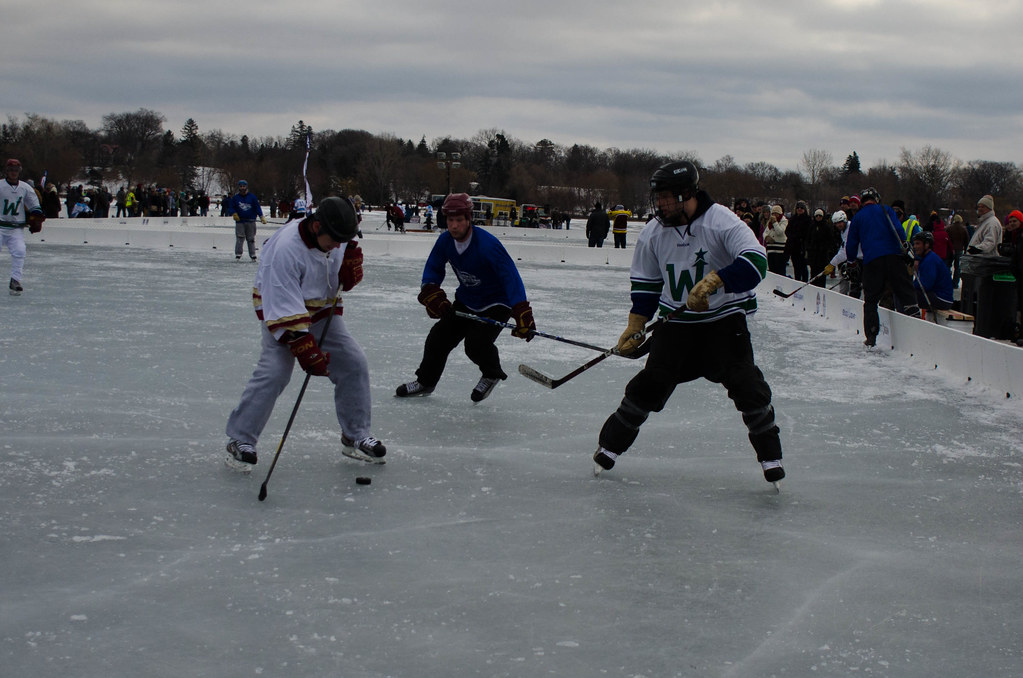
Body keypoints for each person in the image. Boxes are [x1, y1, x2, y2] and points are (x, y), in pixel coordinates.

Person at [592, 160, 784, 486]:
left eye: (667, 197)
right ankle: (609, 448)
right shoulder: (653, 233)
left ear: (687, 194)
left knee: (747, 384)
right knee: (650, 383)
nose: (660, 204)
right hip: (676, 325)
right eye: (658, 197)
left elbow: (756, 263)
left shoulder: (721, 221)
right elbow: (647, 285)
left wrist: (716, 281)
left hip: (724, 322)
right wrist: (636, 324)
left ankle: (770, 456)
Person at [224, 197, 386, 470]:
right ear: (316, 226)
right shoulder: (286, 250)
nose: (337, 246)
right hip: (280, 313)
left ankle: (355, 436)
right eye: (334, 240)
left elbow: (341, 263)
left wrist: (349, 270)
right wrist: (304, 347)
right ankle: (240, 439)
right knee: (275, 372)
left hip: (321, 311)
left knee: (353, 363)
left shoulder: (337, 234)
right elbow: (283, 307)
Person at [394, 193, 536, 402]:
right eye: (450, 220)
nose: (454, 226)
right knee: (438, 338)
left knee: (476, 344)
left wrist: (521, 310)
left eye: (459, 220)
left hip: (497, 302)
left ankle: (491, 374)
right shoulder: (445, 242)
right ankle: (425, 382)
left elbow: (510, 277)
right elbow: (433, 267)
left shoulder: (487, 245)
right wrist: (431, 291)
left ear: (469, 219)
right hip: (467, 300)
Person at [844, 187, 919, 347]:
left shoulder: (858, 217)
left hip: (872, 261)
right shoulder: (886, 210)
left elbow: (851, 244)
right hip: (894, 258)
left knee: (871, 300)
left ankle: (871, 337)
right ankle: (917, 324)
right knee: (906, 292)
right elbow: (899, 230)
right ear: (876, 199)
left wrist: (851, 261)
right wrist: (904, 247)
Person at [0, 159, 45, 296]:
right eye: (11, 170)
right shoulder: (0, 185)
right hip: (0, 225)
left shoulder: (25, 187)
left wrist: (36, 215)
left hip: (16, 227)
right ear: (7, 171)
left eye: (16, 170)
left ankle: (15, 280)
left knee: (20, 251)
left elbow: (33, 203)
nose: (13, 173)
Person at [911, 231, 954, 313]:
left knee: (909, 295)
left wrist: (911, 286)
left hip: (942, 299)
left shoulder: (930, 260)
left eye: (918, 244)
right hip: (938, 296)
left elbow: (925, 285)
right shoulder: (926, 258)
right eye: (914, 244)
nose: (915, 246)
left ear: (926, 245)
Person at [823, 210, 861, 298]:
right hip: (856, 258)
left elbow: (845, 252)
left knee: (857, 284)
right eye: (836, 223)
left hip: (861, 258)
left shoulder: (850, 229)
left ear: (844, 220)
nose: (838, 225)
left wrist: (832, 263)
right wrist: (832, 263)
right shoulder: (843, 231)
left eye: (840, 222)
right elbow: (843, 248)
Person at [227, 179, 266, 261]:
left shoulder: (252, 197)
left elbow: (257, 207)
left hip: (251, 221)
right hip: (240, 221)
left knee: (251, 239)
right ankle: (238, 254)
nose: (242, 188)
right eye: (241, 186)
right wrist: (234, 213)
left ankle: (252, 254)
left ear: (246, 187)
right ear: (239, 187)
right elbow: (231, 207)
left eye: (244, 186)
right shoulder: (235, 198)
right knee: (240, 238)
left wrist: (261, 216)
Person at [806, 208, 841, 286]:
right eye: (817, 216)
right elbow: (808, 239)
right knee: (813, 273)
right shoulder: (812, 226)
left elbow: (831, 240)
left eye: (820, 216)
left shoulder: (826, 227)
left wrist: (825, 248)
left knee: (821, 275)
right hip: (813, 255)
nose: (818, 217)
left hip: (822, 255)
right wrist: (809, 248)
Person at [784, 200, 811, 282]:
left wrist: (798, 237)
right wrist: (792, 237)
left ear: (805, 209)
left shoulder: (808, 220)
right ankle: (797, 282)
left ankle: (805, 282)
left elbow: (807, 233)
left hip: (802, 246)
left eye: (801, 208)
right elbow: (787, 231)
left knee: (803, 267)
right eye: (798, 208)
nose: (799, 209)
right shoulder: (792, 219)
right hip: (793, 246)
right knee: (796, 267)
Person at [764, 204, 788, 275]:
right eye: (773, 213)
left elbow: (780, 231)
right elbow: (765, 232)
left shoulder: (784, 221)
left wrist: (775, 223)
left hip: (780, 250)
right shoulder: (769, 222)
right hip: (771, 249)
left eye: (776, 213)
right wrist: (766, 237)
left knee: (780, 271)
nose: (774, 215)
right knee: (772, 270)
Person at [947, 213, 969, 288]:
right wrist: (965, 250)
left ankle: (947, 281)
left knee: (948, 266)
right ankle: (955, 283)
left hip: (950, 250)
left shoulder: (949, 228)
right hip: (959, 249)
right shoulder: (963, 229)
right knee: (957, 268)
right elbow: (967, 241)